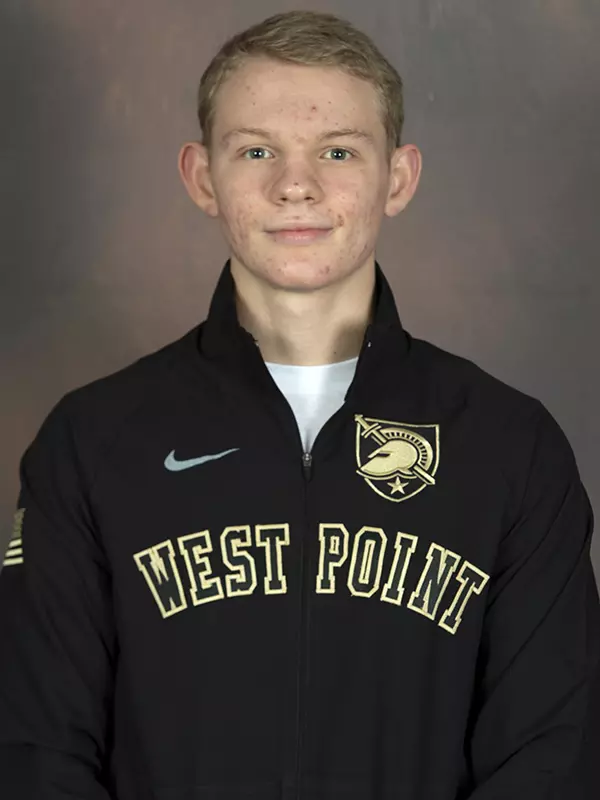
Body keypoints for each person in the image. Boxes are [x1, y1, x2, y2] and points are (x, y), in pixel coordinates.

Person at [0, 9, 598, 800]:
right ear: (201, 177)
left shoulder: (511, 448)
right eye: (256, 150)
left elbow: (553, 757)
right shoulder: (90, 443)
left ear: (399, 178)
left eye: (338, 151)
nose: (295, 185)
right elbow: (35, 751)